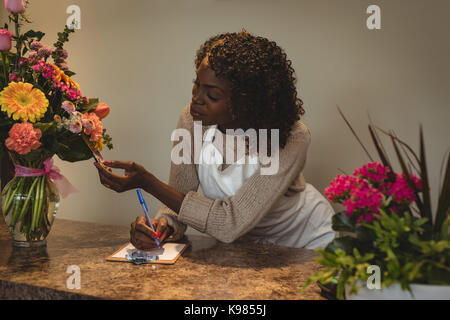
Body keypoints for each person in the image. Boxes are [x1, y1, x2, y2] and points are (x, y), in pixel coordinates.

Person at [94, 29, 336, 251]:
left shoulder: (290, 136)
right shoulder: (191, 120)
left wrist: (148, 182)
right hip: (244, 250)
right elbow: (178, 199)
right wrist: (162, 226)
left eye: (212, 94)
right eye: (196, 86)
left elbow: (229, 223)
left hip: (307, 244)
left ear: (246, 100)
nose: (197, 100)